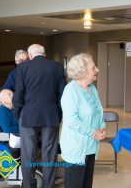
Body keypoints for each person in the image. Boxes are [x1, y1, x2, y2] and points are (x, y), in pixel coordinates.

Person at [13, 44, 66, 188]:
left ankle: (29, 185)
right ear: (44, 55)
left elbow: (18, 94)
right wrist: (59, 115)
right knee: (49, 153)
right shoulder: (57, 67)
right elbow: (63, 95)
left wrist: (18, 113)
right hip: (50, 116)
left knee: (28, 153)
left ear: (30, 56)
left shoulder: (22, 68)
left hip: (28, 116)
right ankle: (48, 185)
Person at [60, 53, 106, 188]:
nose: (97, 69)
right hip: (76, 148)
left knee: (87, 185)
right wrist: (94, 132)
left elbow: (98, 111)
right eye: (93, 68)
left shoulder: (92, 88)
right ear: (83, 72)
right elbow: (72, 120)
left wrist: (101, 127)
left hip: (90, 146)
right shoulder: (70, 90)